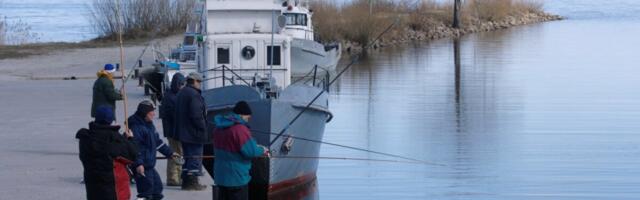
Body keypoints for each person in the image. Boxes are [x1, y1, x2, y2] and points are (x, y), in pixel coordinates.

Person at [76, 105, 137, 200]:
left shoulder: (86, 138)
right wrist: (130, 139)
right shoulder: (112, 138)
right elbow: (132, 155)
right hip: (112, 189)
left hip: (93, 187)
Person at [213, 101, 269, 200]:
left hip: (221, 176)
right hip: (236, 178)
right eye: (248, 117)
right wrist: (262, 149)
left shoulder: (218, 128)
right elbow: (251, 152)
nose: (248, 120)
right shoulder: (240, 129)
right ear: (242, 115)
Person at [128, 100, 181, 200]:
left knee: (157, 189)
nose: (153, 114)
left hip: (149, 165)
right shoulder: (136, 128)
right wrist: (139, 164)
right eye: (151, 112)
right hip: (142, 166)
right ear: (145, 113)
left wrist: (170, 153)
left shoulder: (149, 125)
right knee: (146, 192)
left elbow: (157, 142)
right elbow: (134, 147)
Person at [175, 72, 208, 190]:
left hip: (183, 132)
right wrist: (203, 127)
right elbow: (196, 115)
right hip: (194, 133)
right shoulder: (194, 95)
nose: (200, 84)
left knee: (188, 157)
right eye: (199, 82)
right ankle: (193, 183)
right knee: (195, 157)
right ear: (194, 82)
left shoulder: (182, 92)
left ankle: (185, 182)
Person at [159, 73, 186, 186]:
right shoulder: (171, 97)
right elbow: (172, 116)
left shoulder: (172, 95)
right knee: (175, 153)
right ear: (176, 84)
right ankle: (173, 178)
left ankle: (177, 177)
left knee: (178, 153)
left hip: (174, 130)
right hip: (173, 131)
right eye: (180, 84)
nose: (182, 87)